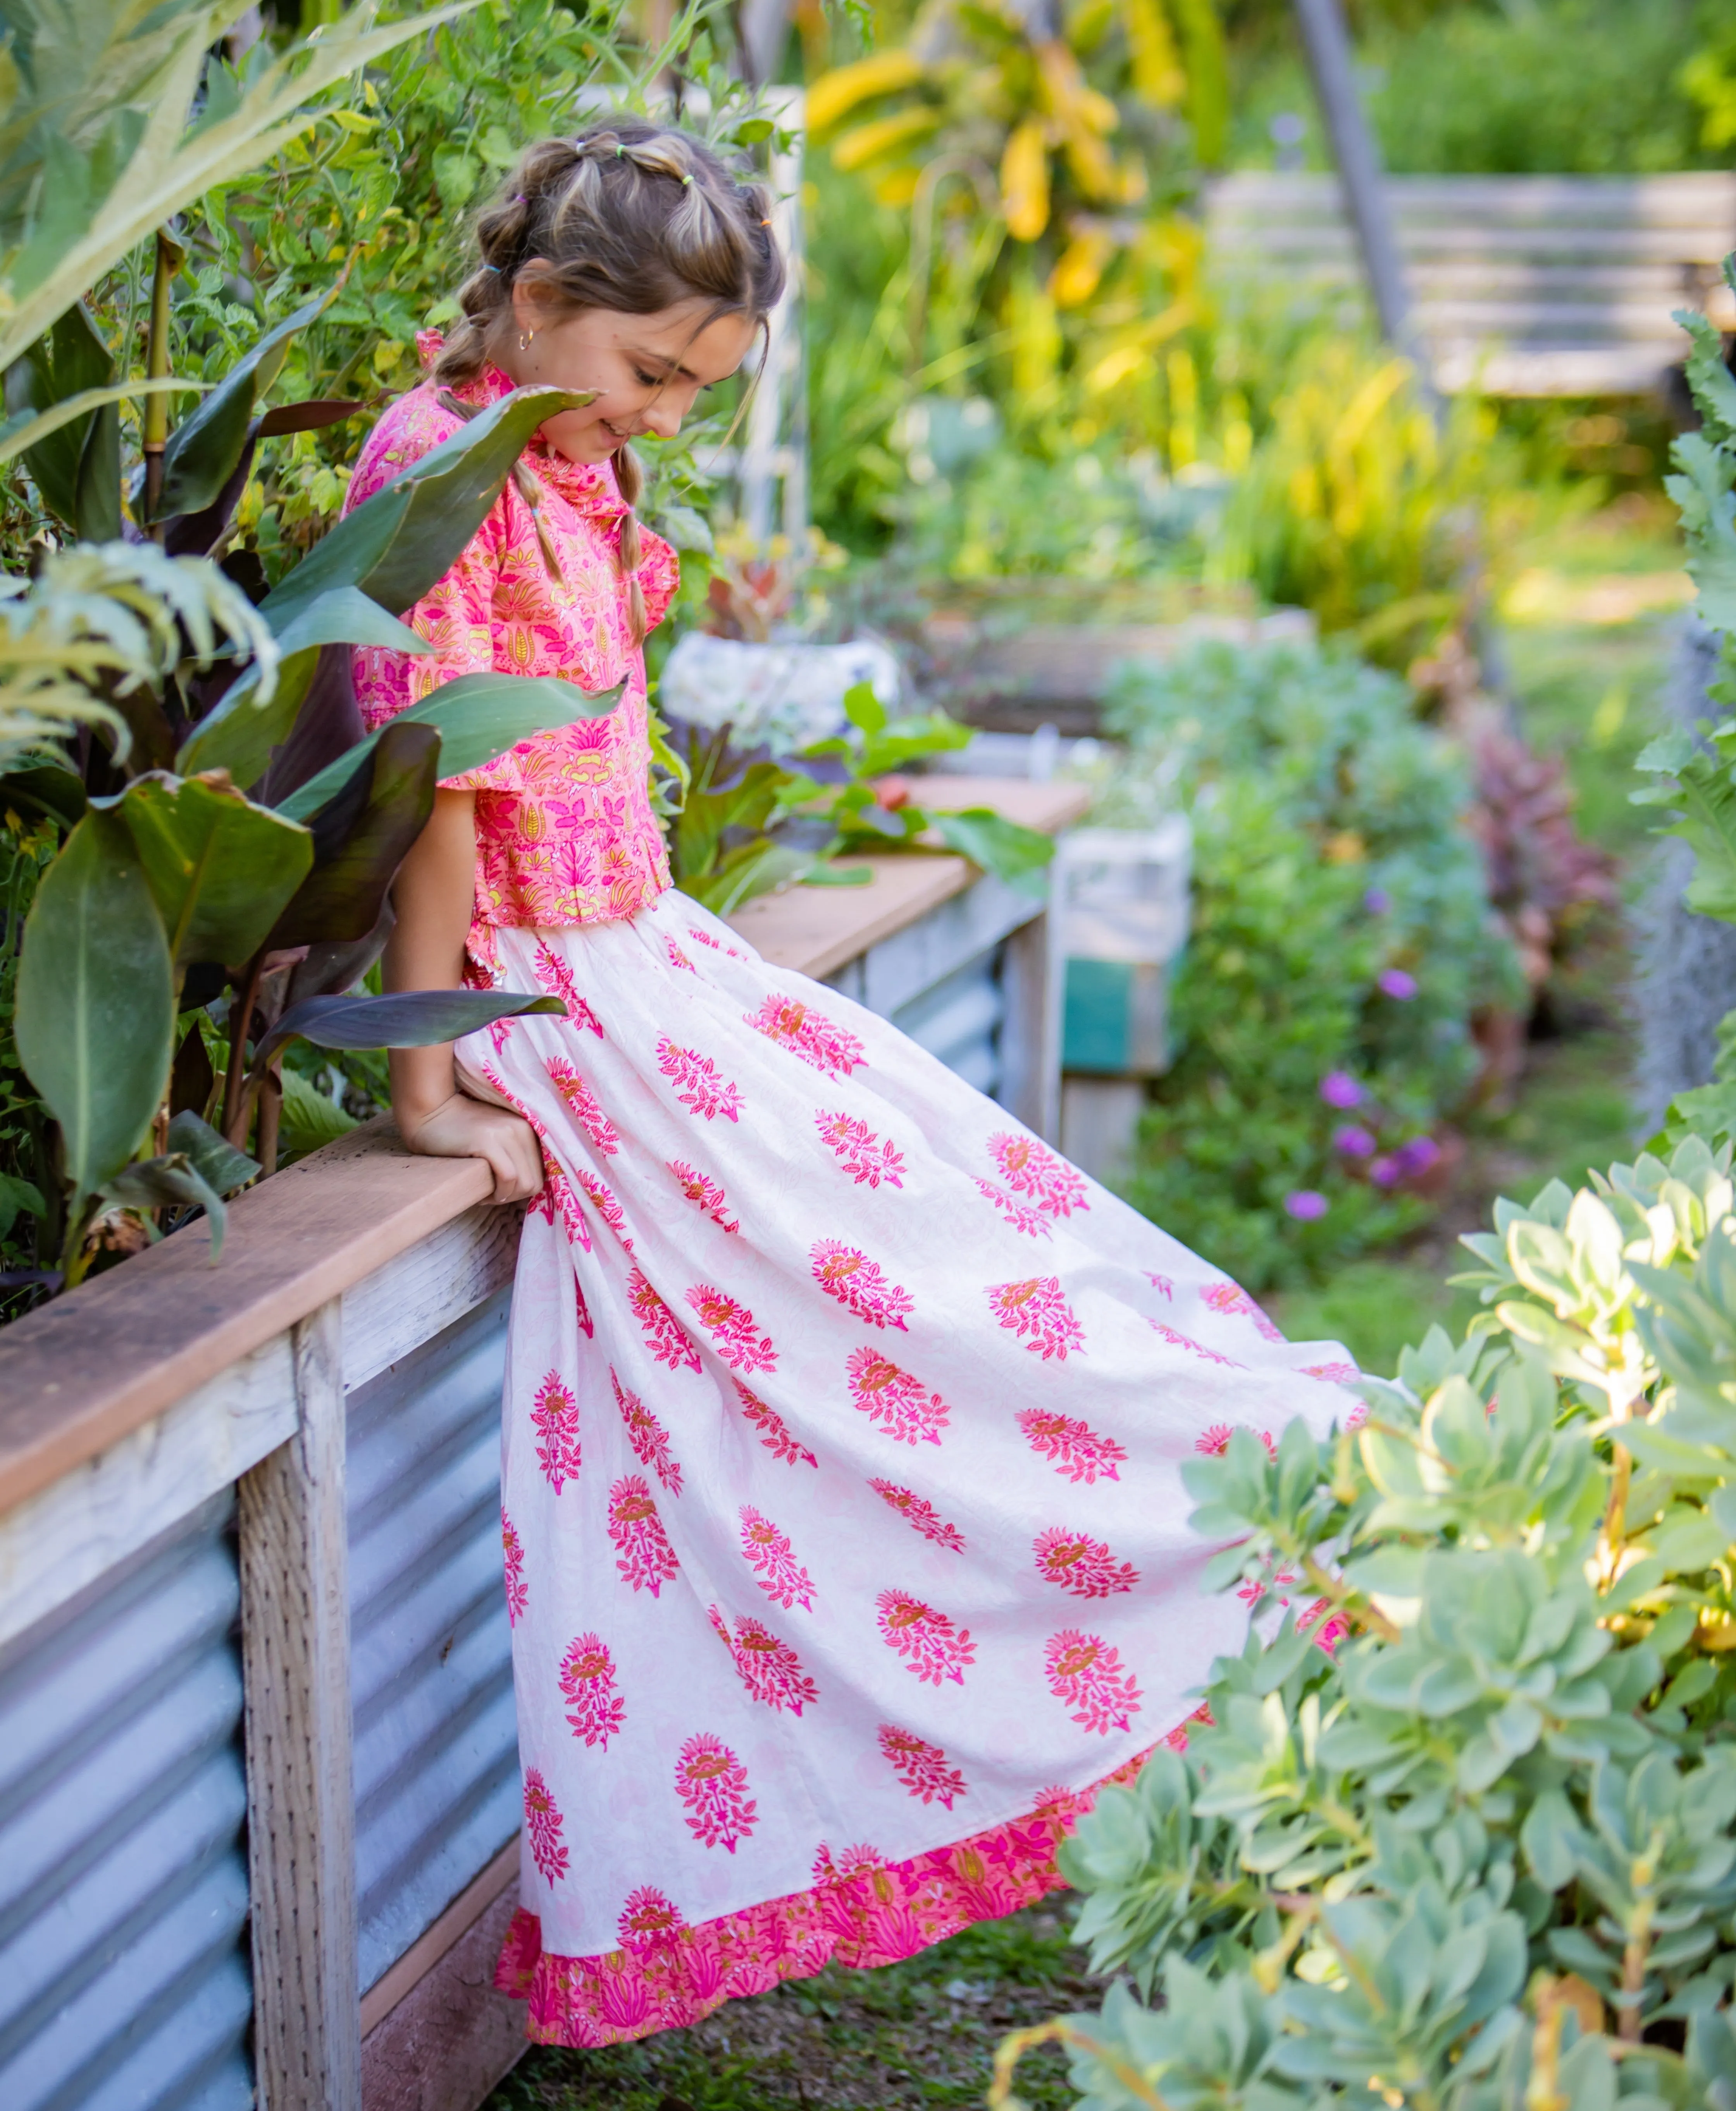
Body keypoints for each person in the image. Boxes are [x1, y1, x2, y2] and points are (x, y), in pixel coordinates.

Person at [350, 116, 1358, 2052]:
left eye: (694, 394)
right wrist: (428, 1077)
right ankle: (1200, 1547)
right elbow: (440, 801)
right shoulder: (446, 475)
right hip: (570, 990)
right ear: (543, 305)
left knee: (963, 1230)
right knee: (877, 1317)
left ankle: (1242, 1505)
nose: (658, 420)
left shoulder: (557, 462)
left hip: (649, 951)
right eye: (647, 374)